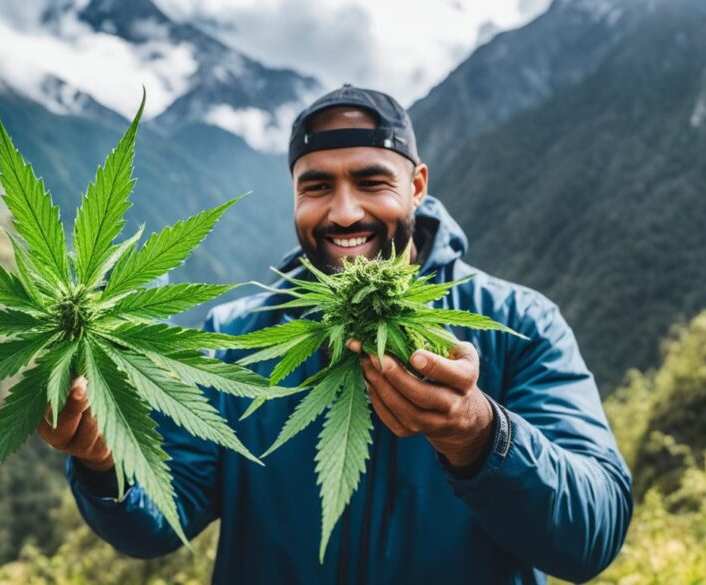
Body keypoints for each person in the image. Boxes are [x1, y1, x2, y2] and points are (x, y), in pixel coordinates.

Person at [37, 85, 633, 584]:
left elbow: (593, 533)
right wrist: (100, 460)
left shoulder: (518, 325)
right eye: (316, 186)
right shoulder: (236, 337)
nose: (344, 212)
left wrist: (483, 436)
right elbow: (160, 519)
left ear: (418, 185)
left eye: (372, 181)